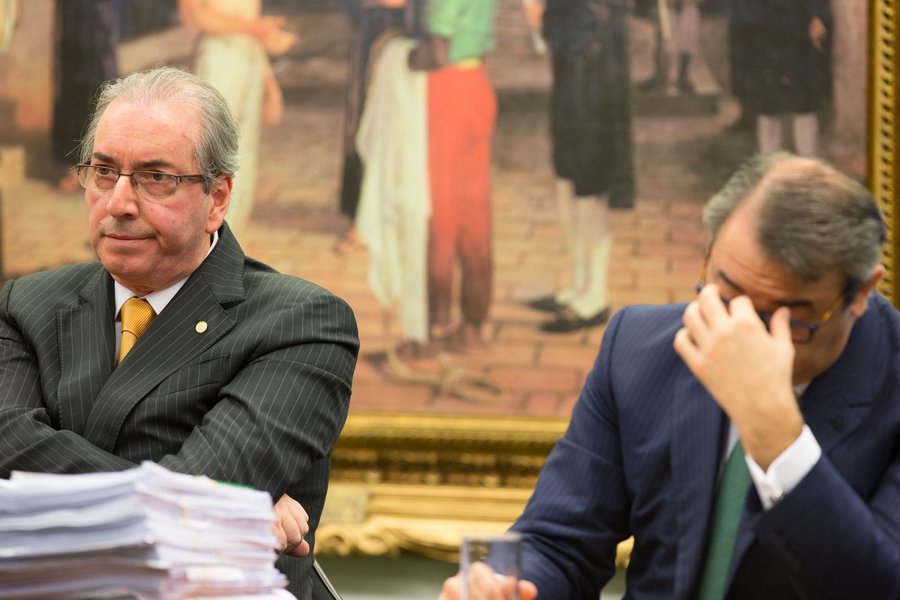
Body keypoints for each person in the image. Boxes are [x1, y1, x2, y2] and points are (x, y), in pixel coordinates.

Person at [440, 153, 900, 599]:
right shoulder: (639, 349)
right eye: (725, 296)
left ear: (860, 292)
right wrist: (503, 587)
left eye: (786, 320)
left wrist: (779, 437)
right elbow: (561, 544)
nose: (740, 331)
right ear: (707, 256)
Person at [0, 66, 359, 600]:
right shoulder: (24, 304)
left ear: (217, 198)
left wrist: (213, 512)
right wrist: (237, 516)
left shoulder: (302, 322)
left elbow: (194, 503)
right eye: (103, 171)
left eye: (156, 177)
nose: (119, 203)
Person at [527, 0, 635, 333]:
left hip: (593, 83)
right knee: (569, 180)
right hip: (575, 76)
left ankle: (595, 296)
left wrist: (536, 15)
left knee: (589, 186)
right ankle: (577, 286)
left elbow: (571, 30)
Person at [409, 0, 499, 351]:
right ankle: (474, 325)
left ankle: (434, 326)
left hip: (447, 92)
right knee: (474, 211)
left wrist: (398, 57)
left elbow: (437, 52)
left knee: (439, 211)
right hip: (476, 84)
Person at [179, 0, 297, 236]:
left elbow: (252, 24)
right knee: (210, 150)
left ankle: (231, 241)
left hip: (248, 58)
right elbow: (193, 14)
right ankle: (198, 241)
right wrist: (252, 28)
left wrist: (269, 83)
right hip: (219, 57)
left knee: (243, 154)